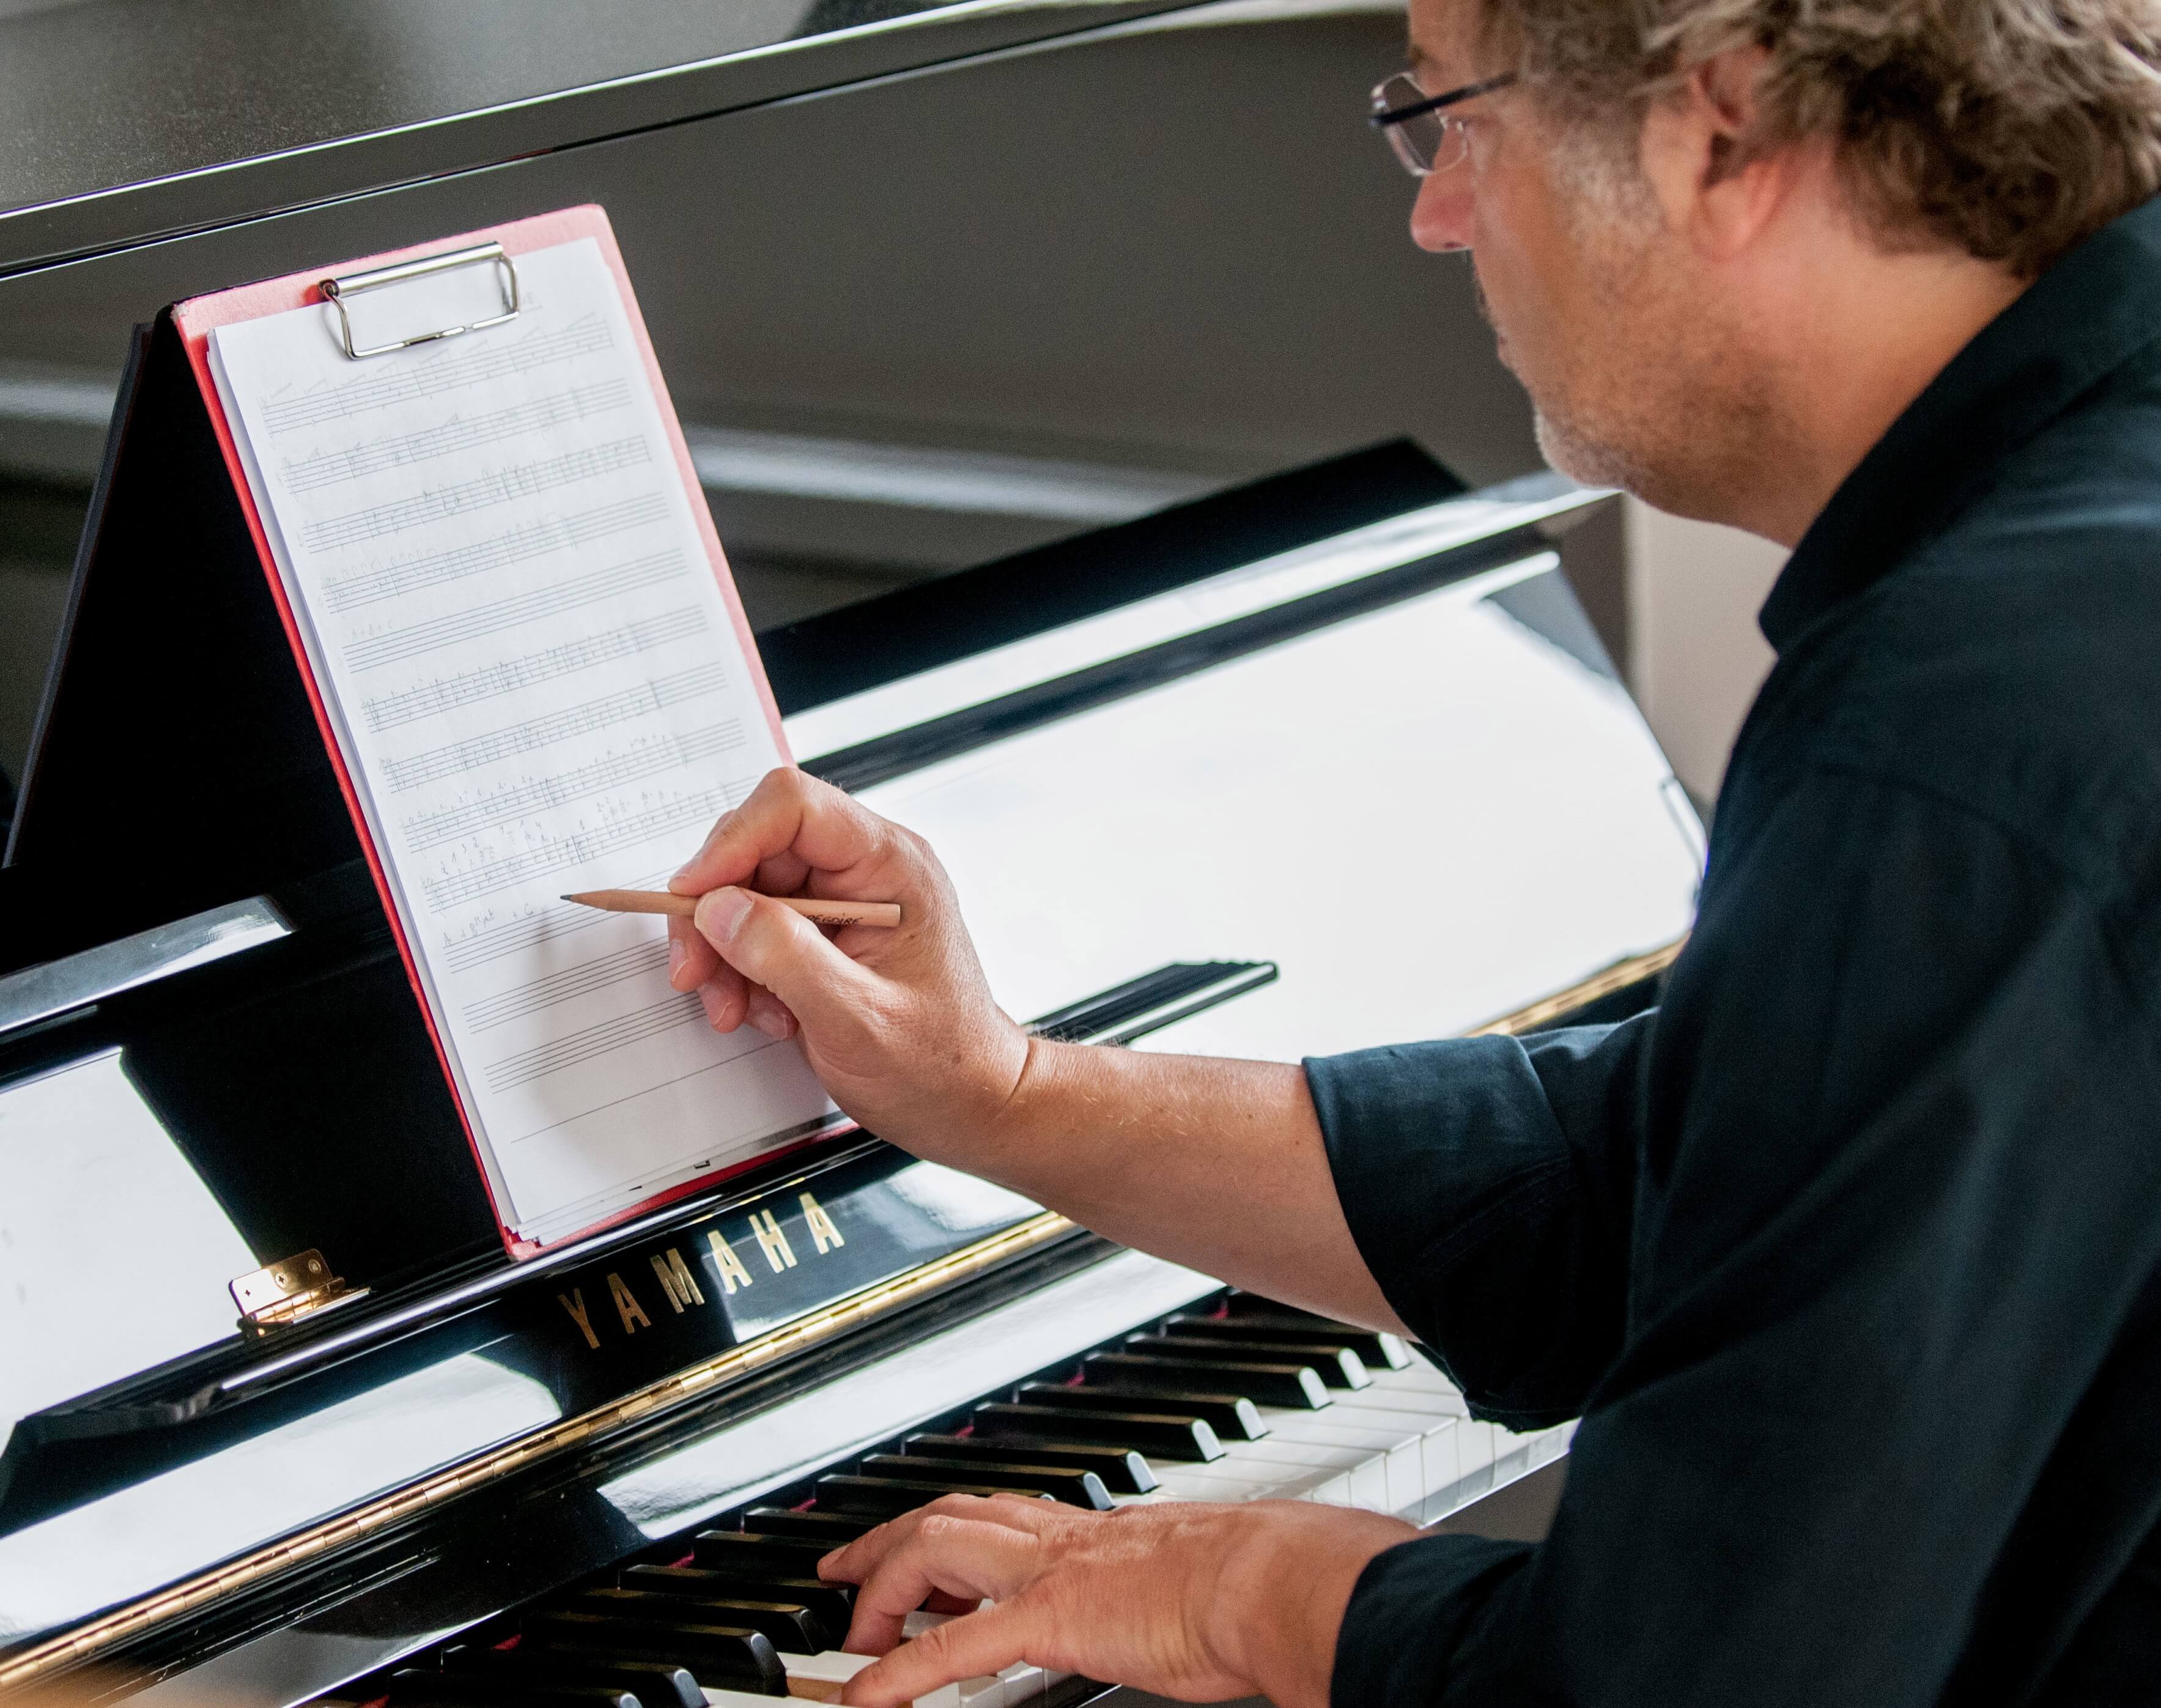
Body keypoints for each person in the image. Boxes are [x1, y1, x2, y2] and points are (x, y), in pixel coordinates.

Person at [663, 0, 2161, 1701]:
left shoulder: (1960, 725)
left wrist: (1245, 1586)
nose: (1434, 211)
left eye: (1461, 119)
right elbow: (1688, 1176)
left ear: (1724, 131)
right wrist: (994, 1092)